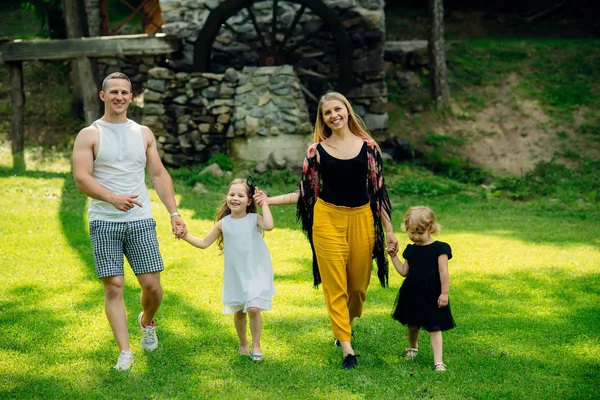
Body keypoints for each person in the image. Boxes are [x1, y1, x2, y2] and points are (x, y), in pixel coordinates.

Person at [257, 91, 397, 369]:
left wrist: (389, 231)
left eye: (338, 109)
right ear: (322, 120)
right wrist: (268, 200)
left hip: (362, 219)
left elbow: (378, 191)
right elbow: (307, 192)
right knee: (335, 286)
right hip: (327, 220)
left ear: (347, 110)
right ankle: (347, 348)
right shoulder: (316, 151)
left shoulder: (369, 148)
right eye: (327, 113)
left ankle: (345, 322)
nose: (334, 116)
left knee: (357, 289)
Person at [72, 72, 187, 371]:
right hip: (104, 222)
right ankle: (125, 352)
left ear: (131, 97)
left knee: (152, 287)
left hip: (140, 221)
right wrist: (111, 198)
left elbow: (159, 175)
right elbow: (81, 178)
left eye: (125, 92)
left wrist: (174, 213)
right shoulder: (90, 134)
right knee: (114, 287)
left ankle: (147, 321)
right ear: (103, 96)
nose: (120, 97)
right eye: (114, 92)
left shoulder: (143, 133)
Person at [180, 178, 275, 362]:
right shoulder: (224, 223)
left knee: (254, 308)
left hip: (256, 270)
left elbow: (269, 226)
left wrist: (264, 204)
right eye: (232, 194)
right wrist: (185, 236)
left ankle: (256, 344)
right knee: (240, 310)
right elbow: (203, 243)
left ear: (249, 201)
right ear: (227, 197)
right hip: (236, 273)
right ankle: (243, 343)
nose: (235, 198)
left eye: (240, 195)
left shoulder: (254, 219)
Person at [388, 206, 456, 373]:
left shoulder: (440, 249)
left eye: (419, 233)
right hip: (412, 293)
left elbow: (443, 271)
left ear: (430, 228)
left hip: (433, 294)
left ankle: (438, 361)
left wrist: (444, 293)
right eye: (411, 233)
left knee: (434, 327)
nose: (415, 237)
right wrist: (394, 256)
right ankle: (413, 348)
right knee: (413, 325)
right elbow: (404, 272)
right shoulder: (411, 250)